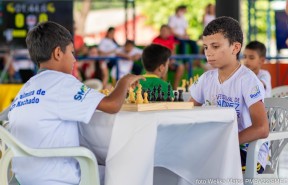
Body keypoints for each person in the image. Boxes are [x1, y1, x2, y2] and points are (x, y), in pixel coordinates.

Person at [8, 21, 144, 185]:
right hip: (58, 178)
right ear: (58, 53)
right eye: (72, 52)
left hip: (25, 178)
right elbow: (112, 105)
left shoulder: (27, 87)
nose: (74, 60)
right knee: (129, 170)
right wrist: (124, 81)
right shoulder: (62, 82)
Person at [189, 17, 269, 173]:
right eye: (205, 47)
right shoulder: (206, 79)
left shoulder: (247, 80)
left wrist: (225, 142)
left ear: (235, 48)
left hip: (248, 151)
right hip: (218, 147)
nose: (208, 52)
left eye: (215, 46)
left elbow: (262, 128)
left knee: (205, 165)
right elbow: (188, 111)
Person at [152, 24, 184, 90]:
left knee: (181, 66)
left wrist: (172, 61)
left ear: (169, 32)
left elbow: (173, 53)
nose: (164, 32)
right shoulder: (155, 40)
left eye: (165, 31)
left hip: (170, 61)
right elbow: (155, 54)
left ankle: (175, 88)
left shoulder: (171, 40)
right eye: (162, 31)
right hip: (160, 62)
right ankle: (165, 89)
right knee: (164, 68)